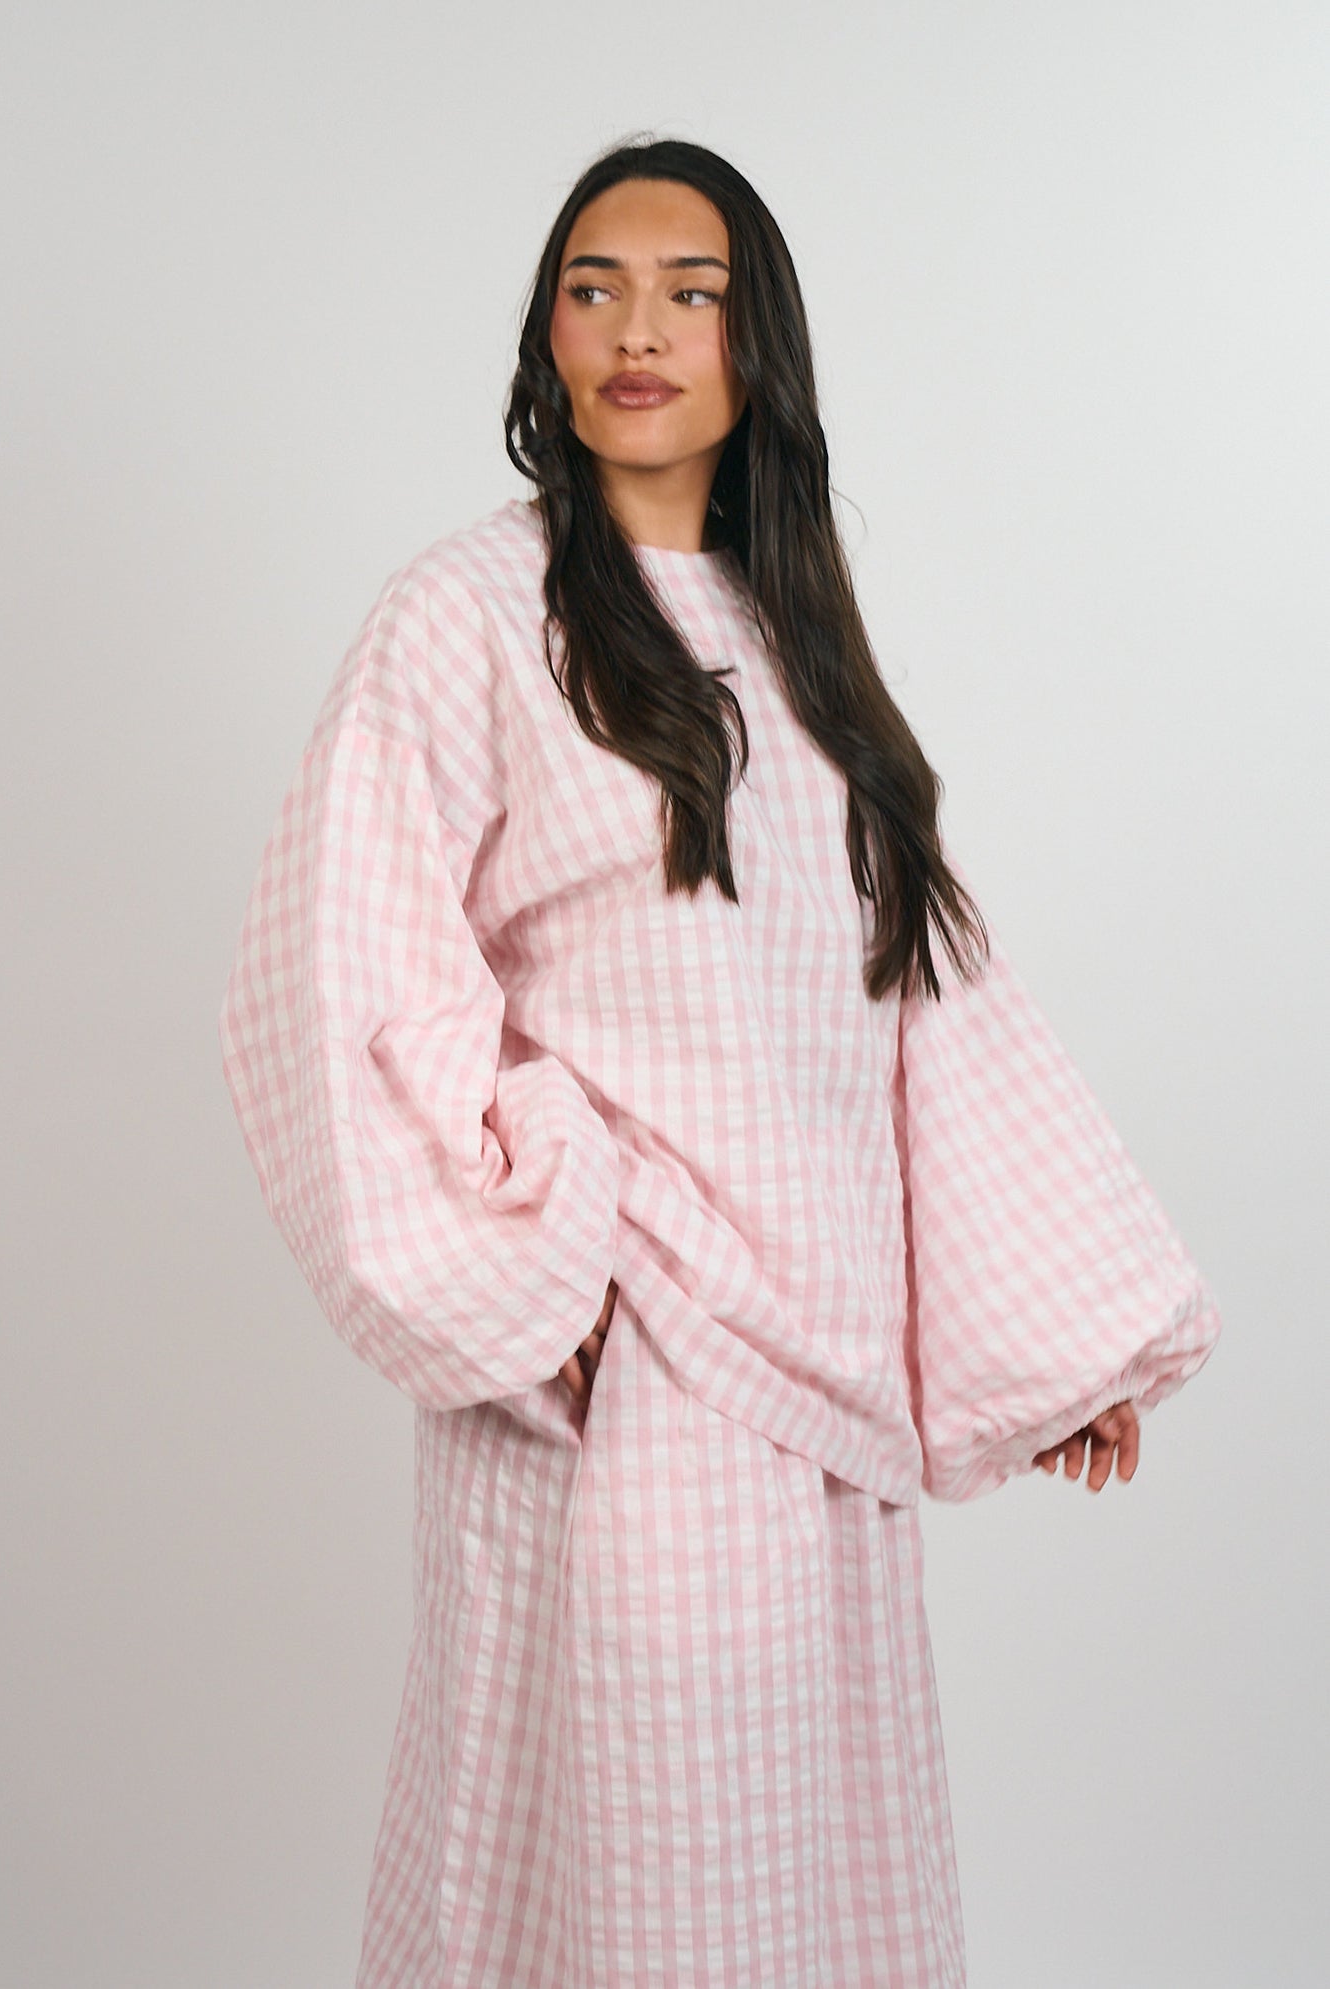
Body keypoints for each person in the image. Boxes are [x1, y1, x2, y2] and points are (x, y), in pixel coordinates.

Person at [218, 136, 1221, 1988]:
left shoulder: (799, 643)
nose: (638, 331)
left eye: (691, 293)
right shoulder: (468, 613)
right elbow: (342, 956)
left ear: (758, 345)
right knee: (612, 1867)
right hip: (629, 1364)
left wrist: (1056, 1335)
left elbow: (912, 989)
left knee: (806, 1877)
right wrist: (519, 1262)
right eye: (592, 287)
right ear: (544, 334)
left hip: (820, 1381)